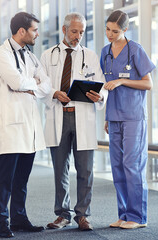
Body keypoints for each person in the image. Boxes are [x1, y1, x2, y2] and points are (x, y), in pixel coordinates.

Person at [40, 12, 107, 231]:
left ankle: (83, 215)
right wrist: (54, 93)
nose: (78, 36)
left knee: (85, 170)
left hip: (83, 116)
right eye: (74, 31)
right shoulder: (47, 55)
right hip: (59, 115)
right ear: (64, 30)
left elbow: (101, 85)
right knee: (60, 169)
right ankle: (62, 214)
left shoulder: (90, 55)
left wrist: (100, 96)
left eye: (81, 32)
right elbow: (40, 86)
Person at [0, 12, 51, 238]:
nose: (37, 33)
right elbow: (16, 82)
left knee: (22, 178)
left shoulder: (30, 55)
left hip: (30, 124)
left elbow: (46, 84)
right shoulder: (1, 54)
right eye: (34, 30)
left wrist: (32, 84)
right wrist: (33, 82)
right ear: (22, 31)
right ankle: (1, 221)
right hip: (12, 123)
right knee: (5, 177)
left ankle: (18, 218)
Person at [100, 10, 155, 229]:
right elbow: (106, 87)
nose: (109, 34)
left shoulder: (136, 50)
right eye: (107, 29)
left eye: (115, 31)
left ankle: (138, 217)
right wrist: (106, 117)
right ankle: (124, 214)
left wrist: (123, 82)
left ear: (125, 30)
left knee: (132, 165)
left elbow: (148, 83)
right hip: (114, 116)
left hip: (133, 116)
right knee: (117, 166)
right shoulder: (105, 52)